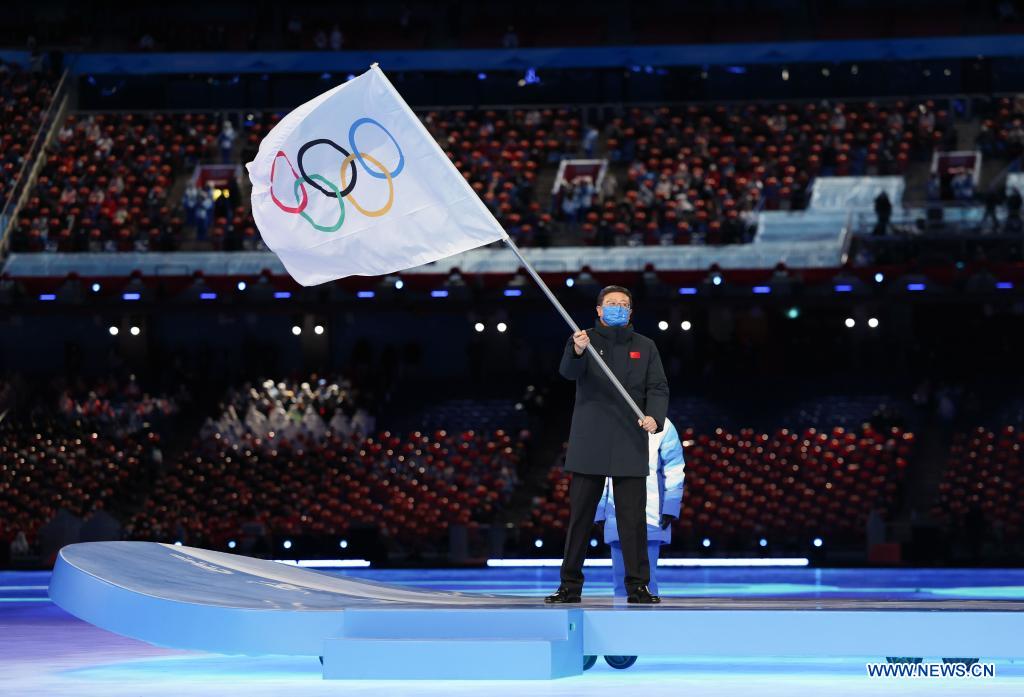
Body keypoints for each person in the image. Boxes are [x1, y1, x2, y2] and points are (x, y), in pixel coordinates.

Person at [545, 285, 669, 604]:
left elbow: (657, 387)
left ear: (631, 312)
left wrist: (655, 417)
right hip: (591, 441)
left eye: (623, 304)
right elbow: (567, 373)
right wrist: (575, 351)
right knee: (581, 519)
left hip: (630, 439)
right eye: (610, 303)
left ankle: (638, 586)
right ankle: (569, 586)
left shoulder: (646, 346)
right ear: (598, 310)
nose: (616, 308)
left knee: (632, 521)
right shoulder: (583, 339)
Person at [595, 417, 684, 597]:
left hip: (651, 513)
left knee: (647, 580)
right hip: (615, 513)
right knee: (620, 581)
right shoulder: (611, 420)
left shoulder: (663, 425)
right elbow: (600, 470)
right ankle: (618, 623)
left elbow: (674, 467)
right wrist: (599, 510)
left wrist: (670, 506)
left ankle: (648, 623)